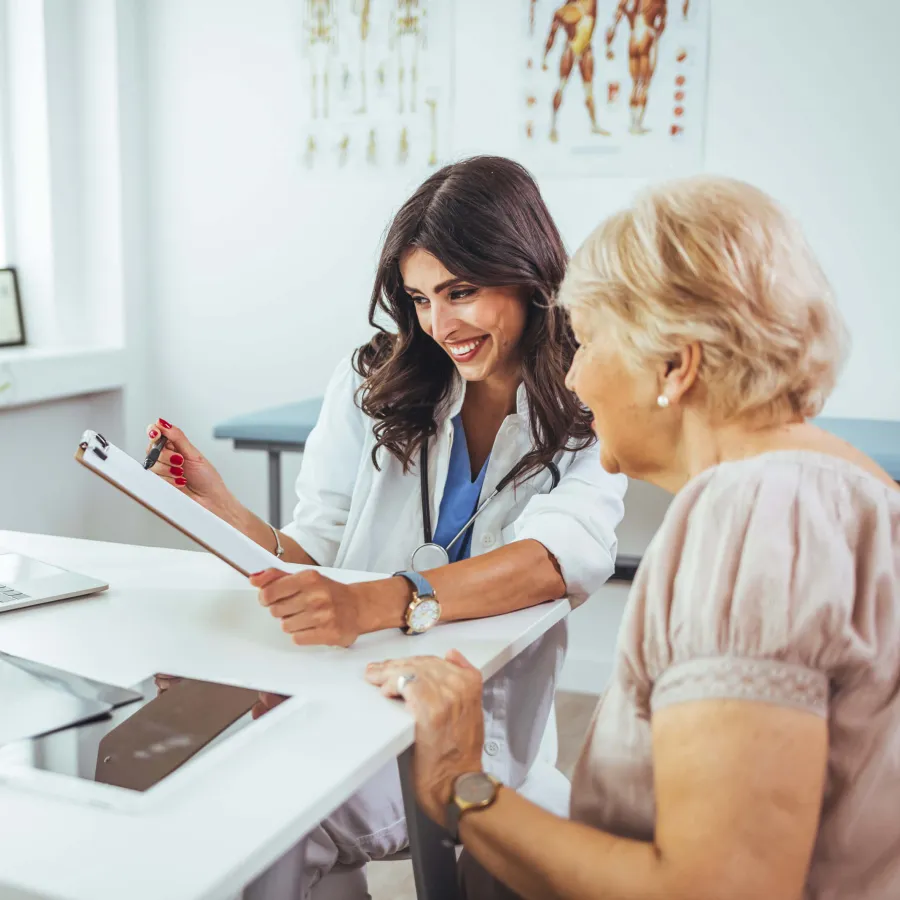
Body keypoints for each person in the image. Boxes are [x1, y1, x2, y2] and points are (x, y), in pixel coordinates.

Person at [366, 175, 900, 899]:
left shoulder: (751, 512)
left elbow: (715, 888)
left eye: (587, 342)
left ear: (675, 366)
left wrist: (461, 786)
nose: (576, 377)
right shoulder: (854, 487)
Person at [143, 155, 626, 898]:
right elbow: (317, 548)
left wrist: (374, 603)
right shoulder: (375, 380)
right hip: (346, 696)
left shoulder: (589, 391)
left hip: (477, 725)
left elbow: (559, 559)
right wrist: (225, 514)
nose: (441, 325)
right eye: (421, 298)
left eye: (462, 292)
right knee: (235, 801)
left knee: (278, 817)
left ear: (528, 275)